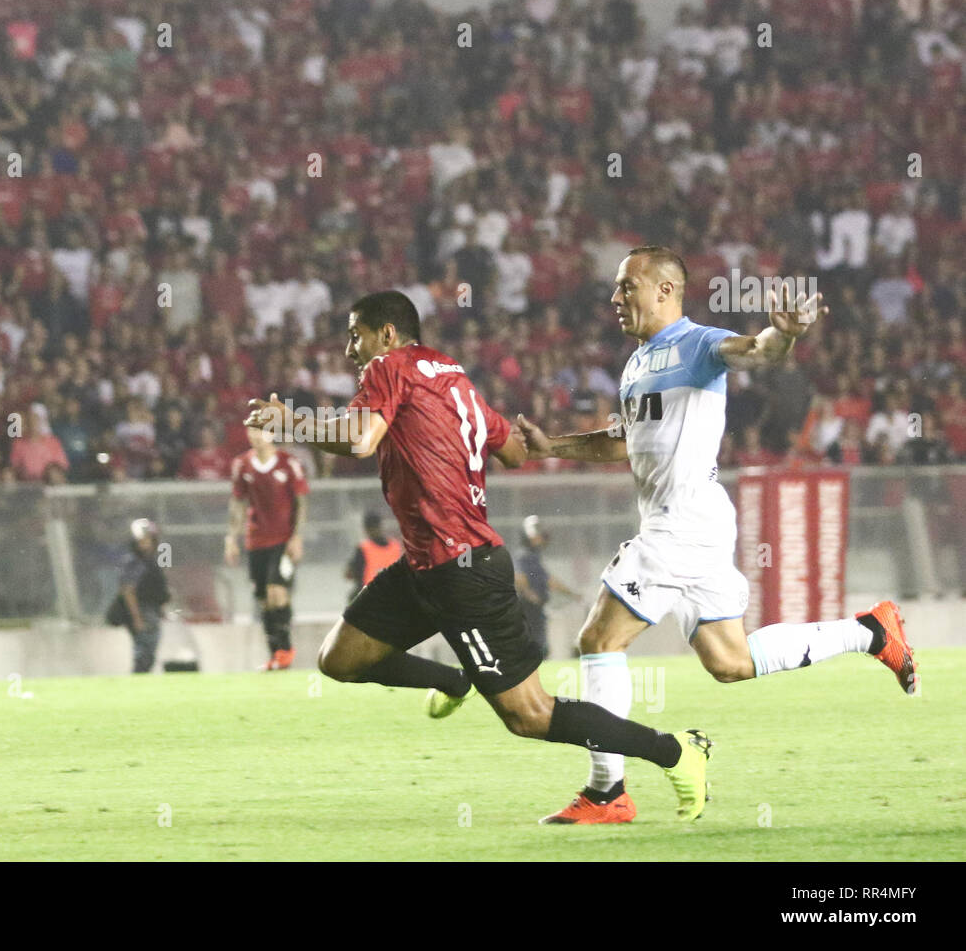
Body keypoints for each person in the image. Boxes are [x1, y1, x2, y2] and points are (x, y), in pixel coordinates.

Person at [245, 289, 714, 821]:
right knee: (340, 658)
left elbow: (359, 441)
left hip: (463, 570)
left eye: (356, 335)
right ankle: (453, 679)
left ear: (387, 335)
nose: (351, 349)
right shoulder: (452, 377)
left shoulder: (388, 367)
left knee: (528, 715)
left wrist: (290, 424)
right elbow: (514, 451)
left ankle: (676, 752)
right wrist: (532, 442)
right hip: (425, 563)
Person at [517, 246, 917, 825]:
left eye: (627, 287)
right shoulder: (635, 364)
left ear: (665, 291)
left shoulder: (699, 343)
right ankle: (870, 632)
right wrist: (554, 447)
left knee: (599, 640)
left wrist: (784, 337)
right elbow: (624, 439)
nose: (615, 298)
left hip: (681, 523)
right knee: (729, 661)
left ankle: (607, 792)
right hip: (693, 522)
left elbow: (755, 351)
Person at [224, 425, 309, 670]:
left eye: (260, 430)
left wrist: (297, 537)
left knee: (276, 591)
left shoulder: (288, 462)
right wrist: (231, 538)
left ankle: (286, 648)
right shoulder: (242, 464)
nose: (255, 436)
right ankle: (276, 654)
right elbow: (238, 504)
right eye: (251, 431)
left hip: (283, 540)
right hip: (255, 540)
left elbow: (301, 501)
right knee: (263, 599)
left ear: (271, 433)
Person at [106, 518, 171, 673]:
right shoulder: (133, 561)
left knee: (149, 650)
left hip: (151, 609)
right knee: (144, 650)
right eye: (144, 539)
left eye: (150, 539)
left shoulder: (150, 560)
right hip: (142, 610)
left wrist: (160, 608)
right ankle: (138, 678)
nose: (147, 543)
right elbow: (128, 590)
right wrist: (137, 618)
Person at [512, 514, 579, 664]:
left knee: (539, 644)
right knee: (536, 645)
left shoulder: (533, 555)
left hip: (535, 605)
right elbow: (520, 576)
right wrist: (529, 594)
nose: (542, 539)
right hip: (528, 606)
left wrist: (571, 593)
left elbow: (548, 580)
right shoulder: (524, 555)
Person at [344, 510, 401, 603]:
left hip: (369, 597)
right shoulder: (396, 546)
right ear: (380, 526)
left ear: (365, 529)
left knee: (352, 597)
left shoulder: (363, 548)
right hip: (393, 595)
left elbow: (349, 574)